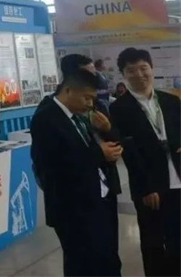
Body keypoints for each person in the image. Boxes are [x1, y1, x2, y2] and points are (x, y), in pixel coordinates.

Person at [31, 68, 122, 276]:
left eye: (93, 99)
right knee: (82, 264)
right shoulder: (46, 118)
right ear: (69, 90)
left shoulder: (78, 116)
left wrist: (106, 136)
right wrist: (99, 153)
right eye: (86, 98)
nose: (90, 104)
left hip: (96, 199)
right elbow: (51, 165)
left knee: (105, 258)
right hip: (72, 208)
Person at [109, 48, 180, 277]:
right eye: (131, 70)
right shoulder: (119, 108)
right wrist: (146, 187)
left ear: (152, 68)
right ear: (123, 74)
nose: (139, 74)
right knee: (153, 241)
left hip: (178, 179)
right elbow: (129, 153)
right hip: (150, 186)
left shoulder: (171, 101)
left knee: (178, 238)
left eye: (143, 68)